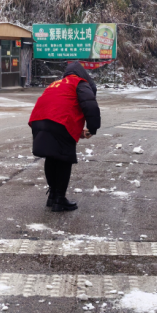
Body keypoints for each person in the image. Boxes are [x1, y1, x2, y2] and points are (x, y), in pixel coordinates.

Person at [29, 61, 101, 212]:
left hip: (39, 120)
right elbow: (90, 105)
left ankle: (53, 196)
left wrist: (77, 130)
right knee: (63, 159)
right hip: (59, 122)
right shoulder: (80, 83)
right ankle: (59, 199)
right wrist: (93, 128)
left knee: (52, 157)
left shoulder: (56, 83)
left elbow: (61, 105)